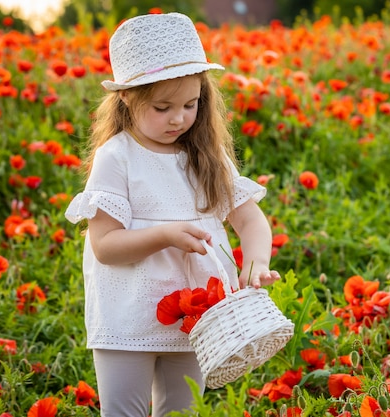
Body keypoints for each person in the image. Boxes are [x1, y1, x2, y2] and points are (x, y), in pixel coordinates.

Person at [65, 12, 280, 417]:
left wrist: (256, 264)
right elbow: (106, 246)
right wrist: (165, 235)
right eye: (162, 107)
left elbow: (249, 220)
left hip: (197, 317)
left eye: (190, 104)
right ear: (127, 98)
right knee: (123, 411)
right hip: (126, 315)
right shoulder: (117, 157)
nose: (179, 118)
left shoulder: (206, 156)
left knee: (181, 412)